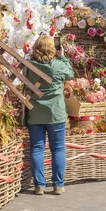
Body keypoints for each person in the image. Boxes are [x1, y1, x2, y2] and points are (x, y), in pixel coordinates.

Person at [25, 35, 74, 196]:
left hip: (35, 113)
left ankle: (39, 185)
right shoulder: (58, 65)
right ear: (53, 49)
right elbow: (70, 74)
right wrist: (63, 57)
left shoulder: (29, 65)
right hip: (56, 114)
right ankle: (58, 185)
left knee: (37, 148)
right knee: (58, 148)